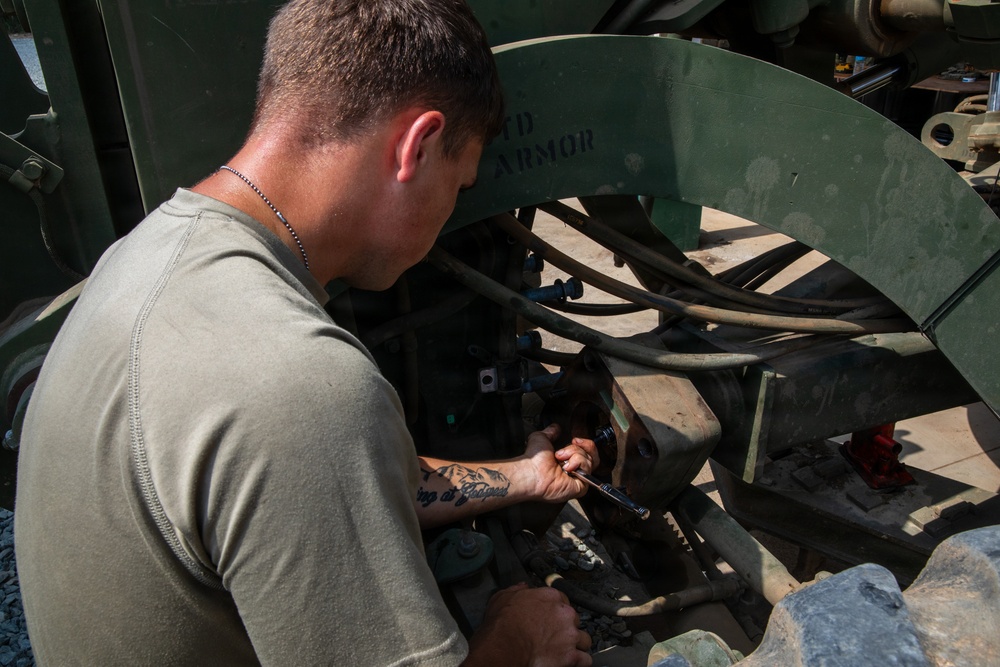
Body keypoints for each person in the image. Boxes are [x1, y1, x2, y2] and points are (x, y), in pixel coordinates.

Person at [14, 0, 598, 665]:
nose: (450, 211)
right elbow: (308, 432)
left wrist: (522, 477)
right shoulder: (300, 383)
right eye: (459, 185)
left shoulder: (141, 257)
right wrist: (513, 642)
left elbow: (342, 481)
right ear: (418, 145)